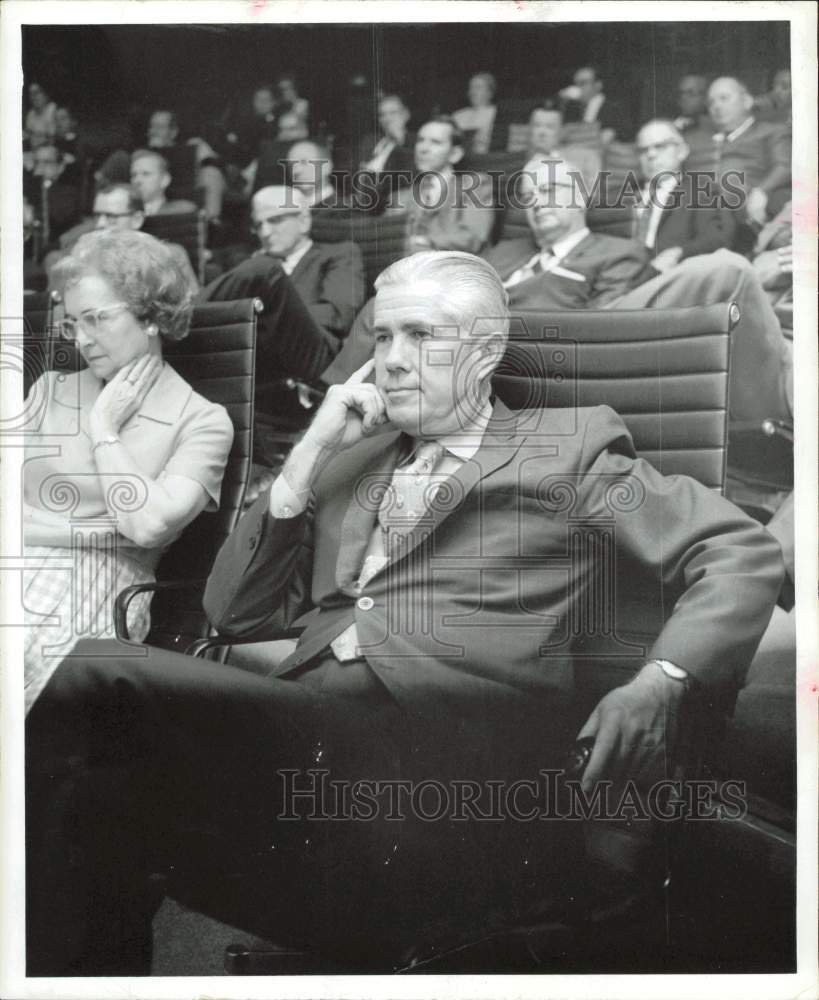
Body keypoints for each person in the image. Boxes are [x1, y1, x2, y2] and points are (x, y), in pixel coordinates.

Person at [25, 249, 783, 974]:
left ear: (484, 354)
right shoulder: (355, 458)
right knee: (98, 800)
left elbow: (737, 552)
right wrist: (308, 454)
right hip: (319, 764)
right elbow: (231, 612)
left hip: (455, 777)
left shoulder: (565, 449)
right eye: (381, 335)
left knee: (95, 677)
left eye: (420, 335)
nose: (389, 357)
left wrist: (663, 679)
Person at [331, 158, 792, 430]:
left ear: (580, 197)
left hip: (557, 357)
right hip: (469, 348)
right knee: (392, 299)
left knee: (725, 271)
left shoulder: (620, 251)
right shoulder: (506, 251)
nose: (536, 202)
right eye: (528, 195)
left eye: (550, 190)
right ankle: (338, 406)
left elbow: (607, 329)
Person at [22, 228, 234, 713]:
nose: (81, 339)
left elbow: (147, 525)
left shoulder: (200, 419)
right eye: (73, 322)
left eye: (95, 319)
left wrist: (104, 429)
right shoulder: (50, 389)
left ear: (152, 314)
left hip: (97, 582)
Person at [587, 119, 734, 273]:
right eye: (643, 150)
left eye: (660, 147)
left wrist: (679, 252)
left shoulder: (700, 191)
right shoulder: (620, 194)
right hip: (615, 275)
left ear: (682, 151)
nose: (651, 155)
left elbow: (715, 238)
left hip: (664, 276)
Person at [45, 183, 199, 294]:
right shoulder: (78, 257)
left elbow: (191, 307)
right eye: (98, 215)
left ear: (137, 219)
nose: (100, 224)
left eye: (111, 217)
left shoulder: (169, 255)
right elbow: (56, 312)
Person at [388, 116, 495, 255]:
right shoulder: (401, 197)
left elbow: (473, 238)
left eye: (435, 142)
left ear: (455, 154)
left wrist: (424, 241)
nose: (423, 148)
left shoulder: (474, 186)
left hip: (457, 268)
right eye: (420, 140)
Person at [706, 77, 791, 229]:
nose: (716, 106)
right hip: (710, 219)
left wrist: (762, 191)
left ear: (746, 101)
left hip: (753, 215)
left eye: (724, 98)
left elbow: (784, 166)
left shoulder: (772, 131)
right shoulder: (708, 141)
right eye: (711, 102)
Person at [559, 65, 629, 143]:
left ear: (598, 85)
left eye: (583, 83)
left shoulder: (614, 108)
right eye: (576, 83)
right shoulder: (571, 107)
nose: (578, 87)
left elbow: (624, 135)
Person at [129, 149, 197, 216]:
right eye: (134, 175)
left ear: (165, 180)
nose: (137, 180)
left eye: (146, 174)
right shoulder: (125, 215)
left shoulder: (182, 211)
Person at [452, 71, 500, 155]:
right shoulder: (458, 115)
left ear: (490, 92)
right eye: (471, 88)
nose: (473, 92)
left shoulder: (498, 113)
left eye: (478, 87)